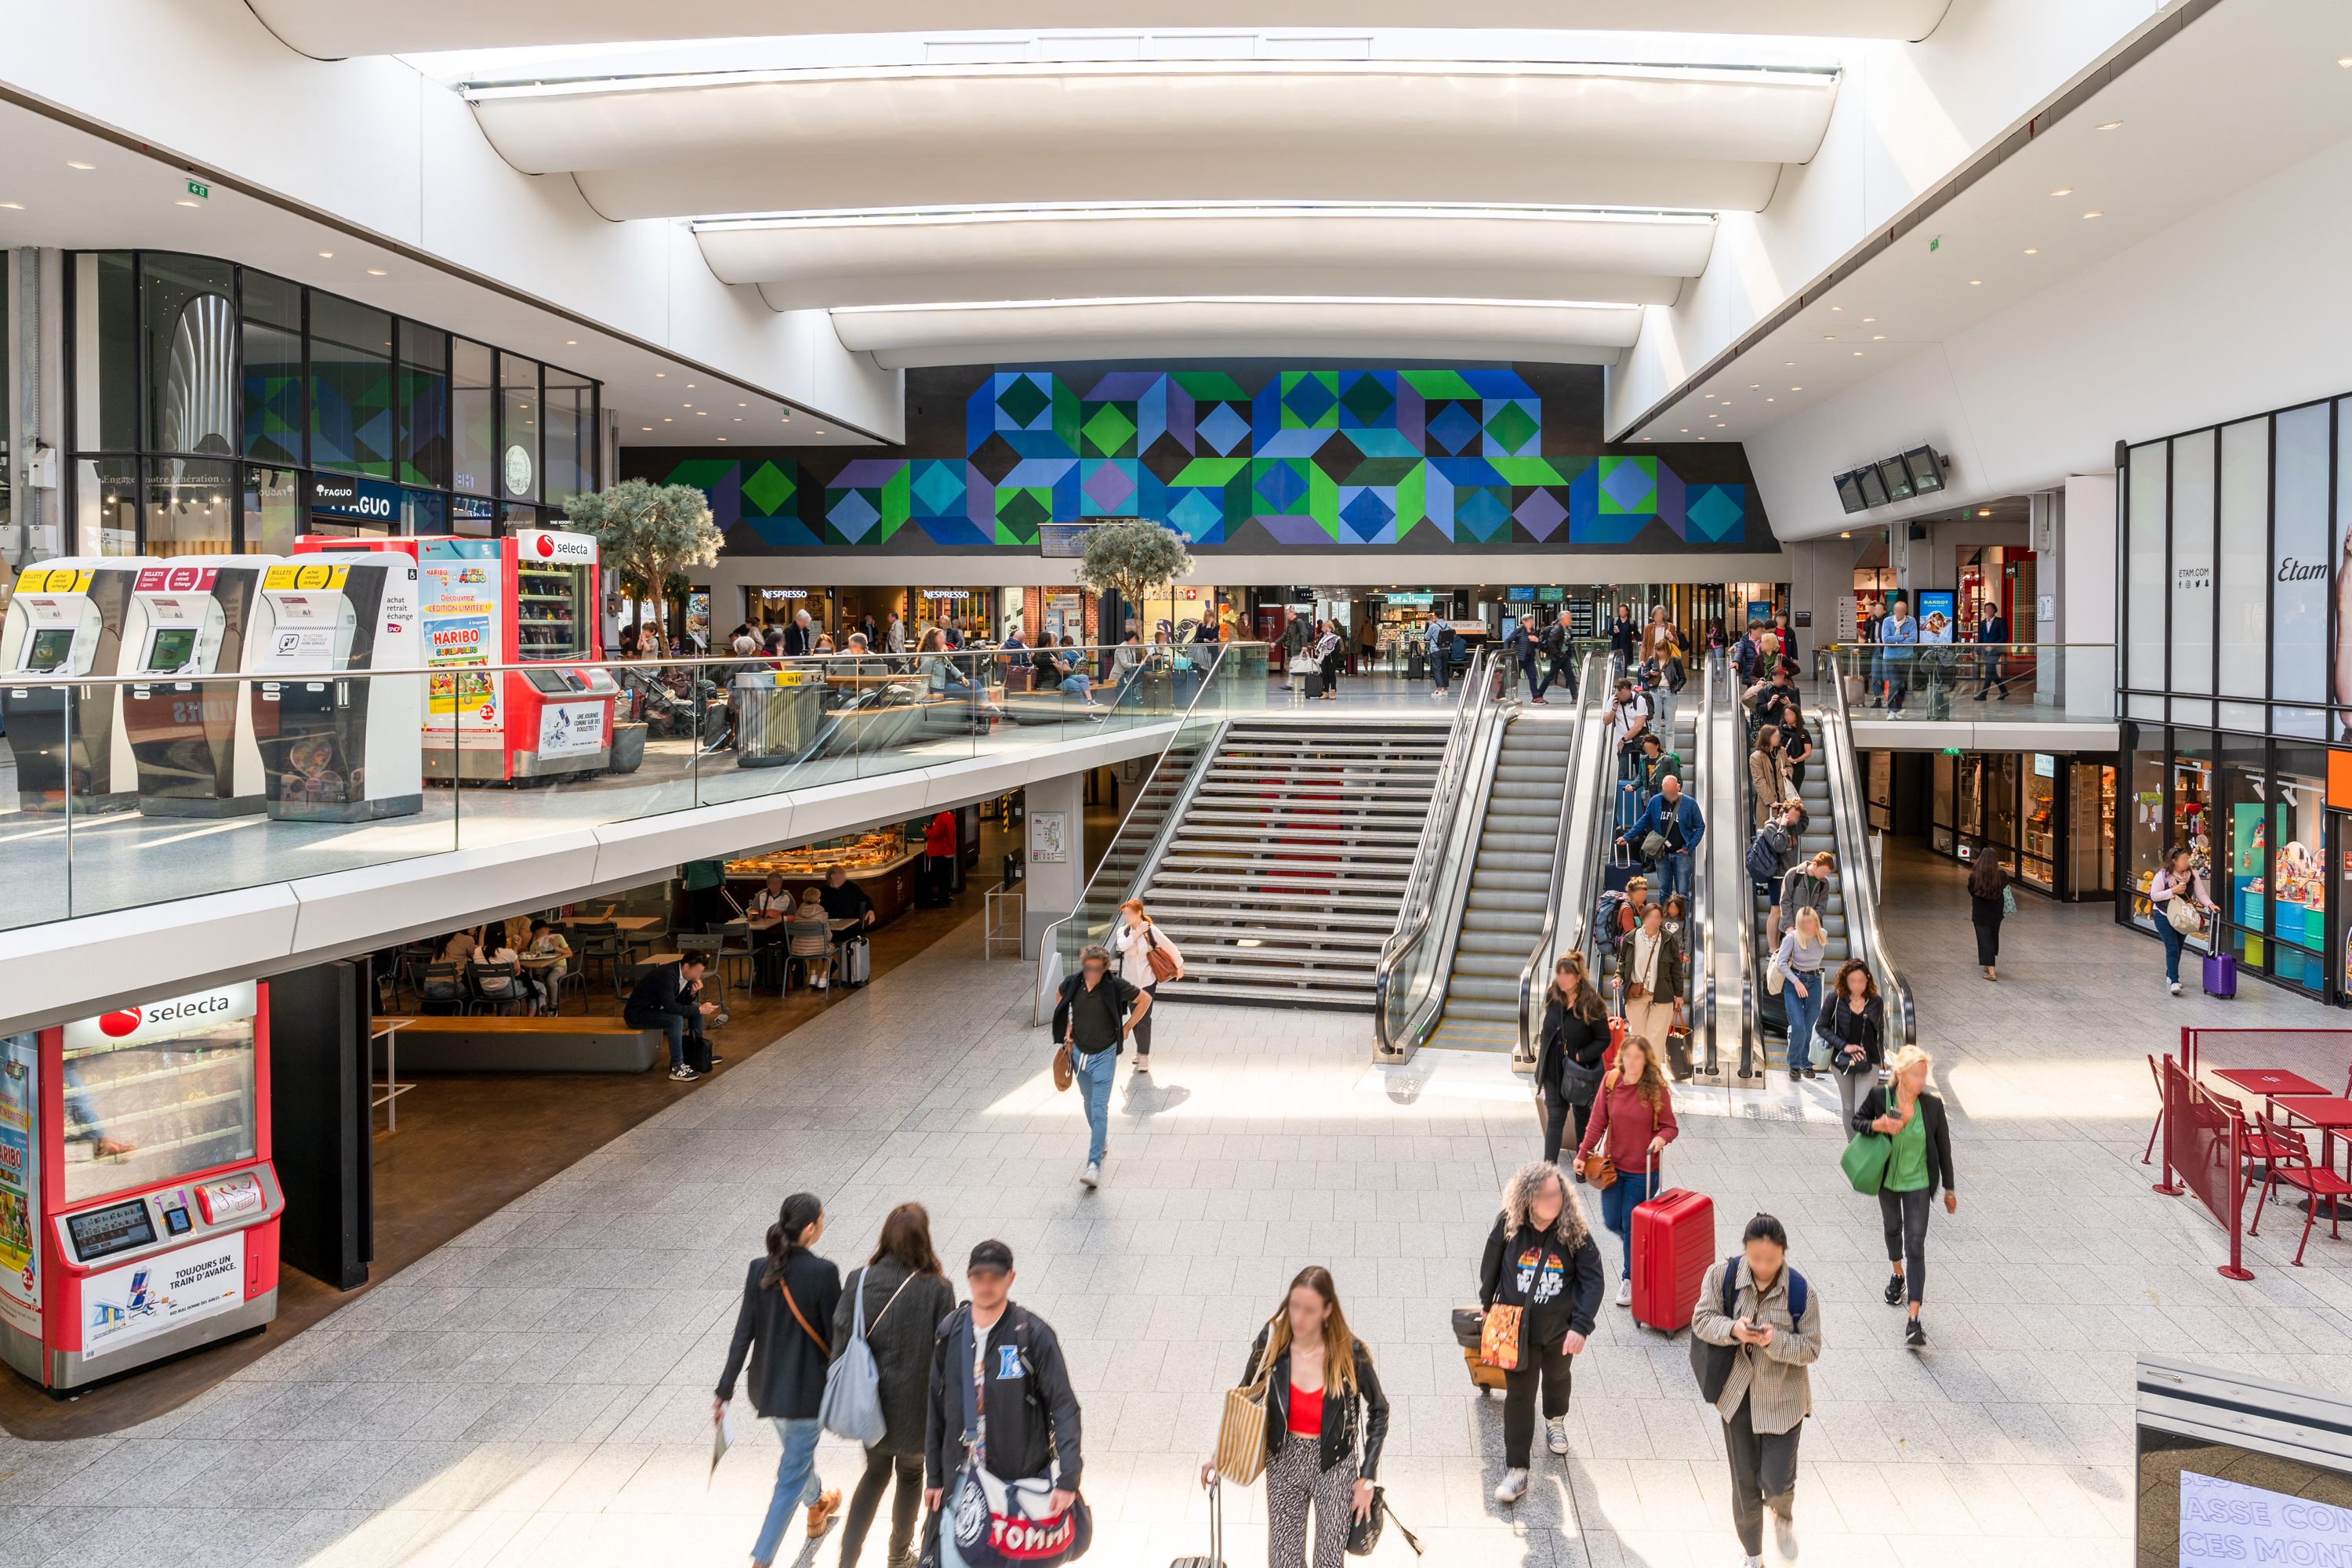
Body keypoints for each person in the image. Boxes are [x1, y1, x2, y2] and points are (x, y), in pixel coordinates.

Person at [1201, 1267, 1389, 1566]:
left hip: (1335, 1466)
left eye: (1309, 1310)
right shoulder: (1272, 1342)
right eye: (1295, 1307)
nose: (1299, 1318)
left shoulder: (1350, 1354)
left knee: (1328, 1562)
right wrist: (1223, 1452)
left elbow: (1379, 1410)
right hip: (1284, 1460)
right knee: (1283, 1562)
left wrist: (1367, 1478)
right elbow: (1246, 1395)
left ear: (1328, 1311)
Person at [923, 1241, 1083, 1568]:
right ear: (968, 1277)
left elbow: (1064, 1407)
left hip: (1015, 1488)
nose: (986, 1284)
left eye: (995, 1277)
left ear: (1010, 1278)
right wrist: (934, 1477)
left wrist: (1069, 1478)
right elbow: (936, 1409)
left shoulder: (1032, 1334)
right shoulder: (950, 1332)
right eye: (979, 1276)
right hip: (963, 1484)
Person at [716, 1192, 846, 1567]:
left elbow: (743, 1334)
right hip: (806, 1396)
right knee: (789, 1475)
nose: (823, 1224)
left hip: (767, 1391)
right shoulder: (823, 1273)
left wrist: (724, 1391)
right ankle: (762, 1560)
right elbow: (837, 1337)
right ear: (810, 1228)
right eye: (822, 1220)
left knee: (796, 1453)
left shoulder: (760, 1267)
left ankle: (819, 1505)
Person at [828, 1203, 956, 1568]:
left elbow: (840, 1340)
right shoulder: (938, 1289)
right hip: (918, 1409)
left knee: (874, 1475)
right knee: (912, 1476)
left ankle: (847, 1561)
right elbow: (946, 1355)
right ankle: (898, 1558)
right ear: (923, 1240)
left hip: (870, 1406)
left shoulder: (859, 1279)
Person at [1690, 1214, 1822, 1568]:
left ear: (1783, 1253)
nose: (1763, 1267)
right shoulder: (1722, 1276)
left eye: (1771, 1259)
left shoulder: (1800, 1293)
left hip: (1784, 1400)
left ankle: (1783, 1515)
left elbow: (1811, 1348)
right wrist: (1733, 1329)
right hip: (1737, 1397)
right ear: (1745, 1251)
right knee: (1744, 1483)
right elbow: (1701, 1319)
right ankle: (1753, 1555)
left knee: (1778, 1483)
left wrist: (1773, 1341)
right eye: (1755, 1258)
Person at [1478, 1162, 1604, 1504]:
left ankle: (1555, 1419)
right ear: (1529, 1199)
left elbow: (1593, 1280)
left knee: (1557, 1379)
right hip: (1515, 1331)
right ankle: (1517, 1470)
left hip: (1559, 1332)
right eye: (1547, 1195)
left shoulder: (1574, 1230)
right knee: (1519, 1395)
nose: (1555, 1200)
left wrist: (1581, 1327)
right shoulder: (1509, 1223)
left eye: (1558, 1193)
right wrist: (1486, 1303)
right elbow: (1491, 1261)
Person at [1856, 1047, 1956, 1348]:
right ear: (1900, 1074)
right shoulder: (1879, 1097)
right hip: (1887, 1178)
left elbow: (1944, 1148)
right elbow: (1857, 1123)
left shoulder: (1932, 1106)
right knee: (1892, 1229)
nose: (1922, 1080)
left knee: (1916, 1244)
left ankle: (1914, 1320)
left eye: (1924, 1074)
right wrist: (1879, 1124)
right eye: (1916, 1074)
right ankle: (1897, 1274)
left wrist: (1949, 1189)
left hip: (1918, 1182)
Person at [1573, 1032, 1679, 1302]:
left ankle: (1630, 1279)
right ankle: (1644, 1250)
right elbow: (1597, 1122)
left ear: (1646, 1060)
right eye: (1628, 1056)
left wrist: (1660, 1138)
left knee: (1631, 1226)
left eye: (1638, 1057)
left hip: (1643, 1171)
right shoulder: (1611, 1082)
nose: (1632, 1062)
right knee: (1612, 1221)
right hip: (1612, 1167)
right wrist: (1583, 1153)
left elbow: (1670, 1126)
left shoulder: (1656, 1087)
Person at [1050, 944, 1151, 1187]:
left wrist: (1127, 1028)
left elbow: (1145, 999)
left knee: (1098, 1107)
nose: (1091, 973)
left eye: (1096, 969)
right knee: (1087, 1101)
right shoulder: (1074, 981)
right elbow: (1058, 994)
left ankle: (1093, 1164)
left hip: (1104, 1055)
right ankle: (1101, 1137)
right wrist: (1066, 1023)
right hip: (1079, 1054)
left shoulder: (1115, 985)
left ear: (1105, 969)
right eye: (1088, 967)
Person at [1535, 953, 1609, 1167]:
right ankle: (1548, 1169)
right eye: (1559, 973)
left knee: (1581, 1114)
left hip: (1579, 1070)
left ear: (1578, 977)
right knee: (1556, 1116)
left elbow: (1603, 1039)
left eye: (1567, 973)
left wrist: (1580, 1055)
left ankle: (1583, 1162)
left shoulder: (1592, 1003)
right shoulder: (1553, 996)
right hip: (1553, 1068)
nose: (1562, 977)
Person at [1109, 898, 1181, 1073]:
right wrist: (1135, 934)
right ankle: (1140, 1049)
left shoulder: (1151, 931)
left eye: (1129, 913)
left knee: (1144, 1017)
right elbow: (1122, 946)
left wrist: (1180, 965)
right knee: (1136, 1016)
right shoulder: (1123, 931)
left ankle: (1143, 1055)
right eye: (1124, 913)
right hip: (1129, 982)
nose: (1126, 916)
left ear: (1139, 913)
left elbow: (1169, 946)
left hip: (1148, 980)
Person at [1617, 902, 1686, 1081]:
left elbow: (1676, 969)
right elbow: (1623, 961)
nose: (1653, 920)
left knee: (1657, 1037)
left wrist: (1679, 994)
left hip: (1662, 995)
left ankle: (1652, 1075)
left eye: (1657, 917)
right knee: (1638, 1035)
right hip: (1637, 995)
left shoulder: (1669, 939)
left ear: (1662, 919)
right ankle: (1638, 1072)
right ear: (1643, 918)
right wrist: (1619, 977)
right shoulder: (1632, 937)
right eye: (1649, 917)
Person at [1817, 959, 1884, 1138]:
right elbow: (1821, 1026)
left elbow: (1880, 1030)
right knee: (1848, 1107)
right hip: (1842, 1062)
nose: (1857, 985)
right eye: (1852, 981)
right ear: (1845, 980)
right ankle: (1853, 1148)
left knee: (1861, 1108)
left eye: (1861, 981)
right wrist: (1844, 1046)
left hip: (1869, 1061)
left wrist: (1882, 1058)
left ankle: (1863, 1149)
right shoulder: (1836, 998)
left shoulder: (1876, 1002)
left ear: (1868, 979)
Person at [626, 953, 719, 1081]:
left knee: (696, 1007)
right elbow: (671, 1008)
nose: (698, 976)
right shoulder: (667, 975)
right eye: (697, 972)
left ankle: (700, 1053)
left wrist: (692, 993)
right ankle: (677, 1068)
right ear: (686, 966)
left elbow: (681, 1003)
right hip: (639, 1014)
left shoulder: (685, 974)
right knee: (675, 1019)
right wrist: (698, 1010)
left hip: (658, 1008)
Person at [1621, 770, 1704, 902]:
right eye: (1665, 792)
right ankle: (1664, 922)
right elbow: (1644, 821)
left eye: (1671, 792)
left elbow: (1700, 826)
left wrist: (1689, 847)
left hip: (1682, 854)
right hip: (1662, 854)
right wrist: (1627, 837)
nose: (1668, 795)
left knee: (1683, 894)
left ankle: (1681, 922)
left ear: (1678, 787)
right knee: (1664, 892)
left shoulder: (1689, 803)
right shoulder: (1656, 801)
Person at [2151, 845, 2216, 995]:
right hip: (2164, 915)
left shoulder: (2193, 875)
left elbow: (2201, 893)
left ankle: (2170, 974)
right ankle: (2174, 981)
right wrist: (2172, 891)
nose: (2187, 861)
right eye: (2184, 859)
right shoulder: (2162, 875)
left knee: (2178, 948)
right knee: (2172, 948)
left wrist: (2210, 905)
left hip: (2183, 917)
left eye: (2188, 858)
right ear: (2174, 861)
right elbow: (2154, 896)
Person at [1773, 906, 1828, 1081]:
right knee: (1798, 1025)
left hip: (1814, 982)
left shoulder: (1823, 935)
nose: (1807, 926)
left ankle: (1806, 1063)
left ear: (1816, 922)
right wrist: (1796, 981)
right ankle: (1794, 1064)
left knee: (1810, 1024)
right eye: (1803, 923)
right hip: (1794, 982)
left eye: (1810, 922)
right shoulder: (1792, 938)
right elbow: (1781, 963)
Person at [1778, 852, 1836, 960]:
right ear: (1814, 865)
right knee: (1787, 960)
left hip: (1811, 930)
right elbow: (1785, 902)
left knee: (1807, 961)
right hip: (1791, 928)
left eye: (1827, 873)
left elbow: (1822, 907)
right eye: (1823, 872)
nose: (1824, 876)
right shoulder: (1793, 874)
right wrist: (1789, 926)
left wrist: (1809, 923)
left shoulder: (1824, 883)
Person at [1967, 847, 2009, 981]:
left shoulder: (1974, 877)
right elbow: (2006, 885)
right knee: (1993, 936)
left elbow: (1972, 891)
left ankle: (1991, 971)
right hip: (1996, 913)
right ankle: (1987, 962)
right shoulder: (2001, 876)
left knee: (1984, 940)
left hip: (1980, 914)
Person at [522, 920, 572, 1012]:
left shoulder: (558, 938)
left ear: (548, 930)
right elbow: (533, 964)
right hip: (543, 967)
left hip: (560, 966)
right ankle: (535, 1007)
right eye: (538, 935)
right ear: (534, 936)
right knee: (530, 979)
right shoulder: (535, 945)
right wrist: (537, 975)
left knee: (551, 979)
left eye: (543, 934)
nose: (542, 937)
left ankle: (553, 1008)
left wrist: (556, 947)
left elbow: (569, 953)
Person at [1879, 594, 1917, 714]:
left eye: (1903, 610)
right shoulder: (1887, 621)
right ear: (1894, 611)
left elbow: (1913, 639)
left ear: (1906, 611)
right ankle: (1892, 709)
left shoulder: (1911, 621)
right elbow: (1886, 640)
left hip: (1906, 658)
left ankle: (1898, 708)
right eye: (1898, 610)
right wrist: (1903, 637)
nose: (1900, 612)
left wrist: (1895, 641)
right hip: (1890, 658)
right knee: (1893, 683)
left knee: (1902, 684)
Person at [1748, 727, 1790, 830]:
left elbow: (1789, 766)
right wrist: (1771, 800)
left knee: (1784, 834)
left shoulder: (1782, 751)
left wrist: (1787, 772)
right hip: (1767, 803)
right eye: (1775, 736)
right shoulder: (1756, 757)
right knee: (1768, 833)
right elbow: (1759, 781)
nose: (1779, 738)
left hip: (1783, 799)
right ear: (1767, 738)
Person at [1974, 601, 2009, 700]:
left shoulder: (2000, 622)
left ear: (1994, 610)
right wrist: (1976, 651)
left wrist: (1993, 646)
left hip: (1995, 651)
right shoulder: (1983, 623)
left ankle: (1983, 694)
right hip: (1985, 652)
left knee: (1989, 671)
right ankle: (2004, 691)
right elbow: (1980, 638)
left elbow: (2004, 637)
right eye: (1986, 609)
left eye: (1990, 609)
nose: (1988, 611)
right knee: (1991, 673)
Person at [1312, 620, 1343, 700]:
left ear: (1330, 627)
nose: (1323, 628)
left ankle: (1333, 692)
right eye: (1323, 626)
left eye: (1325, 626)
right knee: (1325, 674)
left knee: (1331, 674)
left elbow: (1336, 646)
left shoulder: (1334, 635)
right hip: (1323, 657)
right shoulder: (1322, 635)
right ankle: (1325, 692)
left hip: (1332, 657)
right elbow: (1319, 643)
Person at [1608, 602, 1637, 677]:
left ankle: (1623, 680)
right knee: (1616, 665)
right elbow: (1609, 631)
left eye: (1623, 611)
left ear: (1627, 612)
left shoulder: (1631, 622)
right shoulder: (1615, 620)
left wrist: (1639, 641)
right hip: (1616, 648)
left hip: (1626, 648)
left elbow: (1636, 632)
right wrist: (1614, 632)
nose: (1622, 613)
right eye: (1620, 611)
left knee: (1624, 666)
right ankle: (1615, 681)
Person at [1428, 619, 1454, 697]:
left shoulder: (1433, 626)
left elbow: (1426, 637)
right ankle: (1445, 690)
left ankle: (1439, 690)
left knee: (1437, 670)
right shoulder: (1448, 626)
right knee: (1444, 669)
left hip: (1436, 650)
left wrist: (1429, 627)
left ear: (1436, 617)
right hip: (1446, 649)